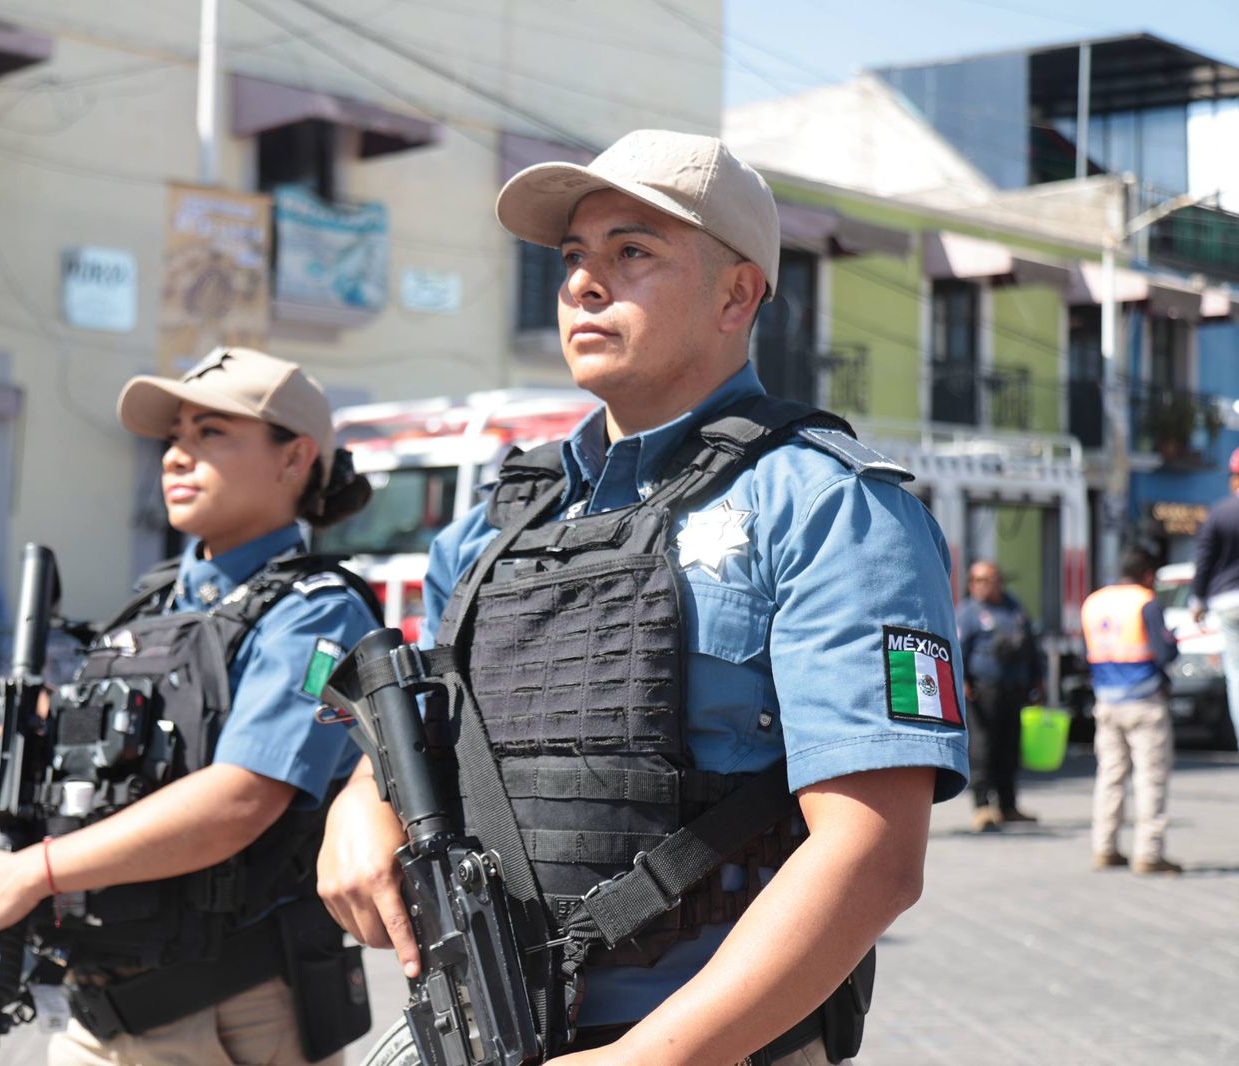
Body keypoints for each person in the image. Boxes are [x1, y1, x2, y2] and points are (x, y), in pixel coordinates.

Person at [315, 130, 970, 1065]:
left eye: (632, 252)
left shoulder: (832, 508)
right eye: (572, 257)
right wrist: (358, 803)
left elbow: (873, 855)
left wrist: (642, 1061)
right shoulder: (495, 527)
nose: (585, 283)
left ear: (737, 295)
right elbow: (419, 727)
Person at [0, 347, 381, 1066]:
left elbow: (242, 797)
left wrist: (30, 874)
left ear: (294, 458)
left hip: (229, 1017)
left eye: (211, 433)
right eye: (175, 436)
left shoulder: (317, 614)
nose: (176, 455)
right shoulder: (154, 604)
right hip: (98, 1005)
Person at [1082, 547, 1182, 875]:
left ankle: (1104, 847)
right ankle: (1149, 853)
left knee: (1110, 776)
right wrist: (1173, 643)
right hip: (1144, 702)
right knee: (1150, 777)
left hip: (1106, 701)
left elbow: (1087, 652)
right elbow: (1164, 653)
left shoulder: (1094, 602)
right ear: (1148, 575)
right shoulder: (1145, 602)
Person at [955, 560, 1045, 832]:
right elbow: (957, 650)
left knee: (1009, 748)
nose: (981, 586)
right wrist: (962, 681)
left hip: (1013, 688)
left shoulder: (1013, 608)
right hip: (983, 690)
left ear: (999, 582)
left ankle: (1008, 805)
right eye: (977, 580)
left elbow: (1030, 644)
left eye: (988, 580)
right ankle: (982, 806)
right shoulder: (968, 612)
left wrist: (1038, 678)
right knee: (983, 748)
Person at [1190, 447, 1239, 749]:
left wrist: (1197, 601)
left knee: (1237, 675)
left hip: (1228, 602)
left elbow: (1204, 561)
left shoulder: (1220, 513)